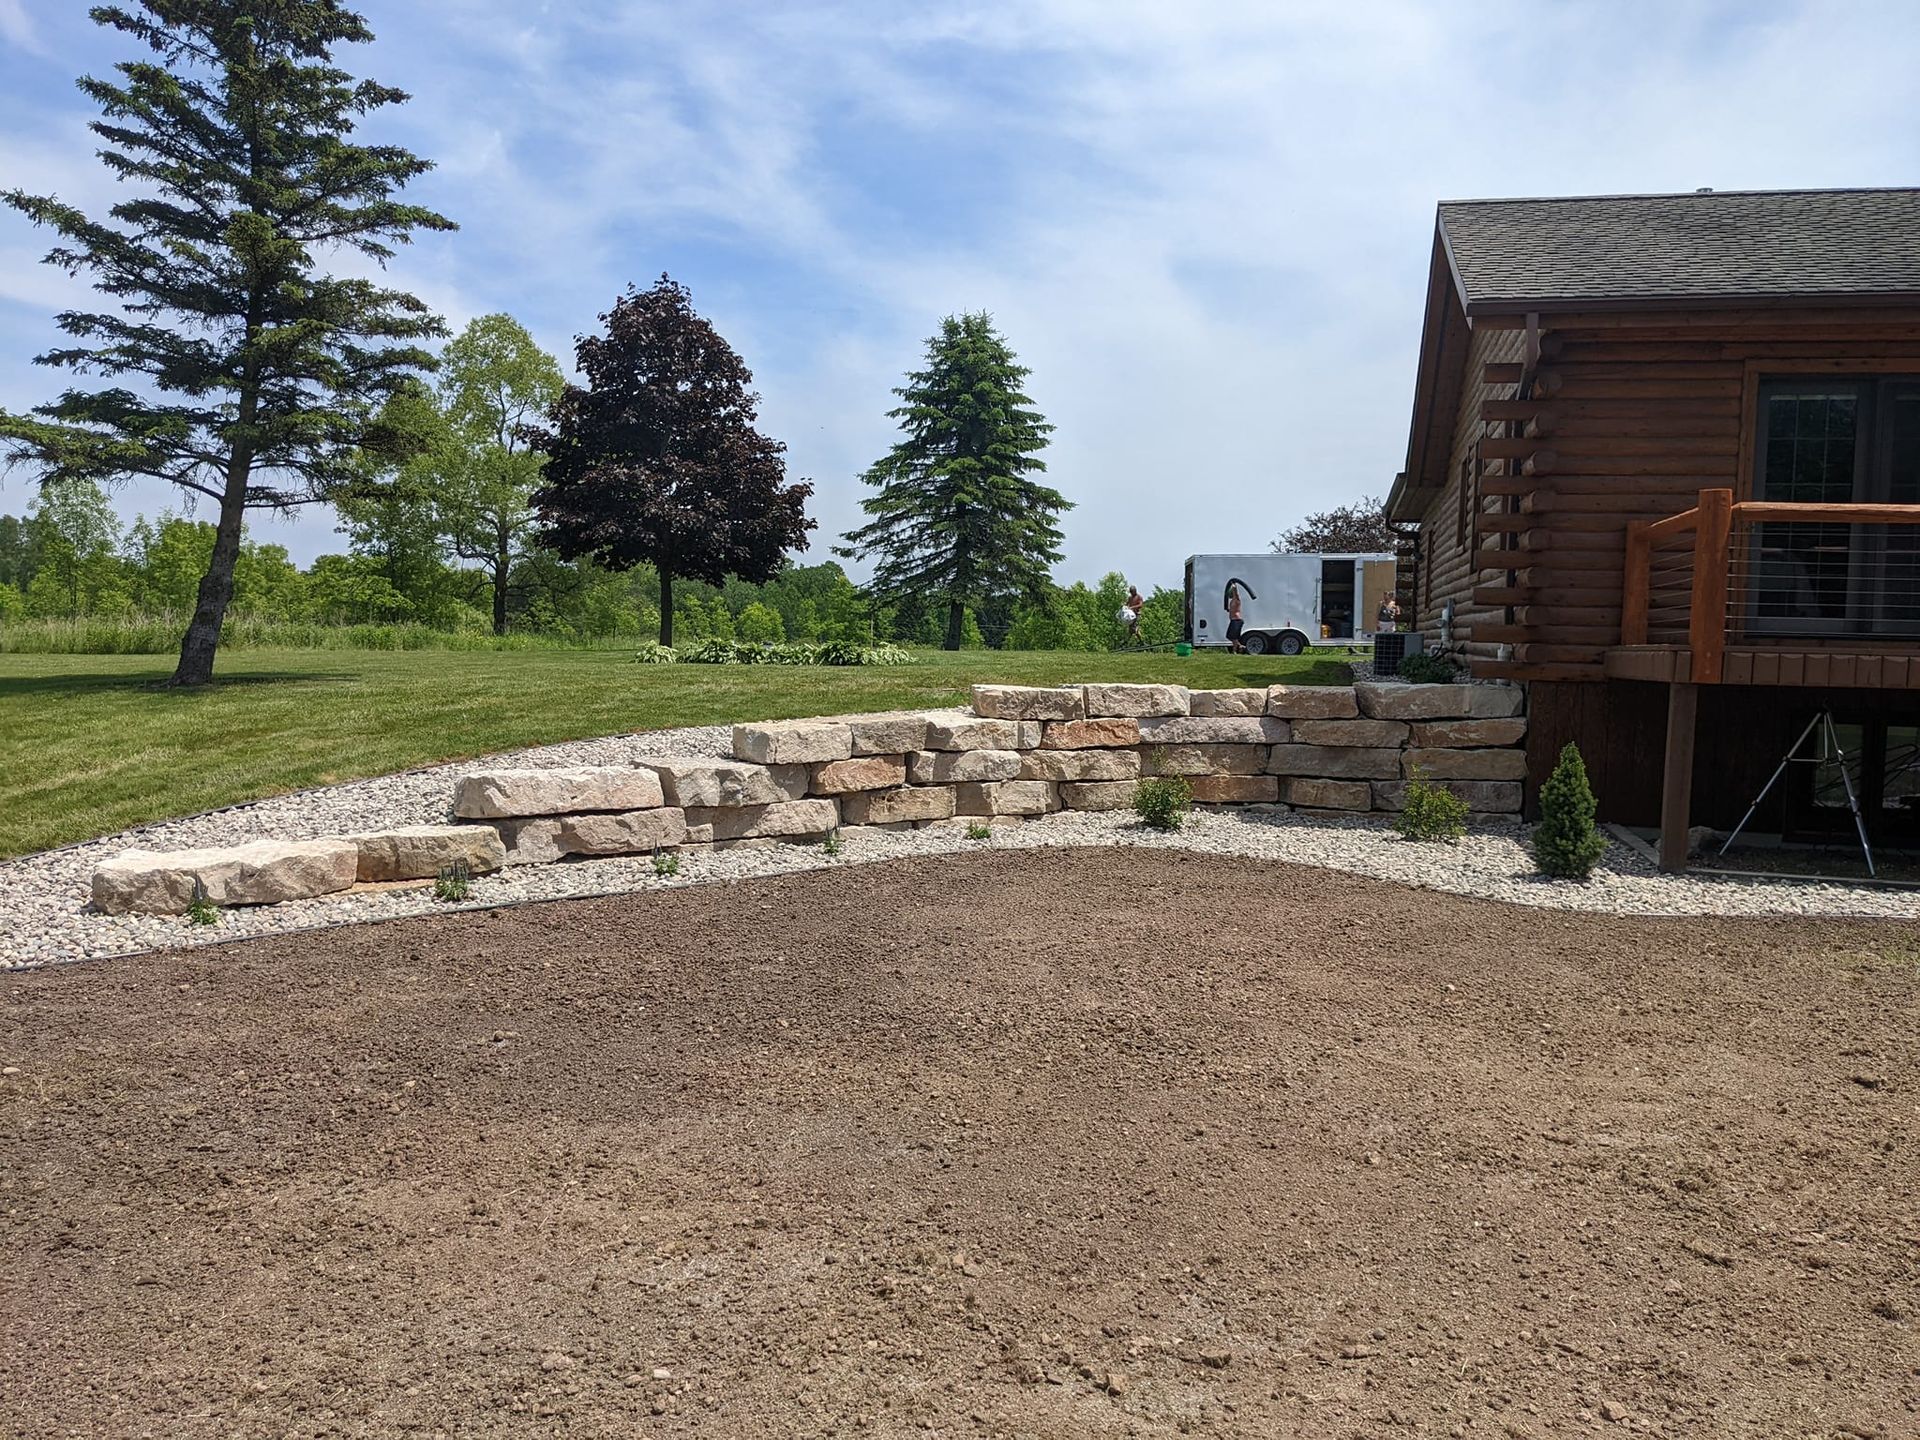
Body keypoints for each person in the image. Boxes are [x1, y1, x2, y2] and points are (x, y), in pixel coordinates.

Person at [1224, 583, 1245, 653]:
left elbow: (1236, 594)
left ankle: (1234, 651)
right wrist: (1229, 610)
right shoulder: (1232, 601)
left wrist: (1234, 587)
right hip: (1233, 621)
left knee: (1233, 637)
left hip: (1237, 620)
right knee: (1229, 636)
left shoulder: (1237, 600)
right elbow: (1233, 609)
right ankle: (1240, 646)